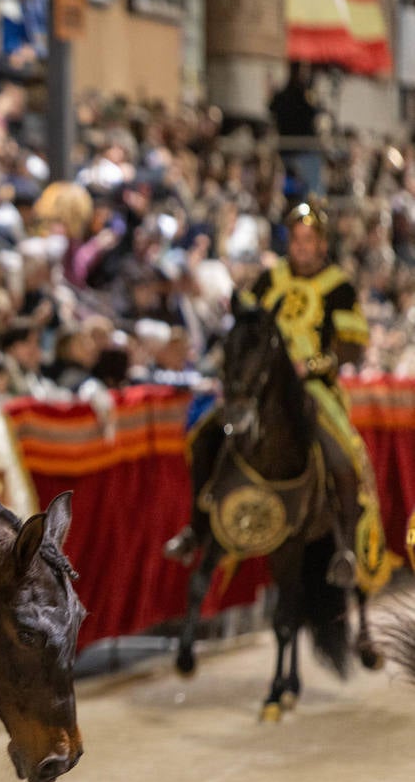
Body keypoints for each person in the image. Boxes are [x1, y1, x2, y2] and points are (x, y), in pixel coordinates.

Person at [165, 201, 384, 591]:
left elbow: (352, 345)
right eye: (296, 239)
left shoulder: (339, 286)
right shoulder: (269, 279)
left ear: (321, 244)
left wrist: (313, 365)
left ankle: (346, 549)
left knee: (342, 454)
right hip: (260, 384)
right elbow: (246, 325)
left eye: (309, 240)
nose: (301, 247)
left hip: (314, 386)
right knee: (206, 434)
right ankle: (196, 527)